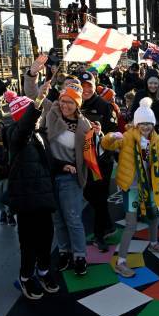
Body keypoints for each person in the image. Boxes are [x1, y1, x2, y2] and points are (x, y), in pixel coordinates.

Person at [102, 98, 159, 278]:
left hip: (149, 186)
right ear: (136, 124)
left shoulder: (156, 139)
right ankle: (121, 262)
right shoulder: (126, 138)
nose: (146, 127)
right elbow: (106, 144)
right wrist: (111, 136)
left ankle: (154, 243)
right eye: (142, 123)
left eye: (149, 123)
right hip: (131, 187)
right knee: (131, 224)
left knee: (154, 217)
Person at [5, 83, 59, 300]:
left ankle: (44, 271)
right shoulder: (15, 135)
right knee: (28, 242)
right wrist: (37, 101)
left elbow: (47, 163)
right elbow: (25, 126)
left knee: (46, 237)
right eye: (31, 115)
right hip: (26, 199)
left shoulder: (39, 134)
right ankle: (26, 277)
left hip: (44, 197)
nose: (37, 118)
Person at [39, 83, 91, 276]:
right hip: (51, 174)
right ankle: (64, 252)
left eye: (70, 102)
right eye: (62, 101)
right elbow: (33, 96)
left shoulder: (84, 125)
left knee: (73, 217)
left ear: (77, 104)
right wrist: (32, 75)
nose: (65, 105)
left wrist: (98, 134)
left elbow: (92, 151)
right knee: (58, 219)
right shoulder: (52, 114)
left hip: (70, 176)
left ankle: (79, 255)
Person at [83, 120, 115, 252]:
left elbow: (107, 153)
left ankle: (99, 234)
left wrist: (99, 133)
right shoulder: (78, 129)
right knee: (96, 203)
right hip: (84, 174)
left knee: (100, 204)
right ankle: (105, 228)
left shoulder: (98, 135)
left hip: (101, 174)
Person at [131, 68, 159, 135]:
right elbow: (133, 112)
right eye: (150, 83)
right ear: (146, 83)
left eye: (155, 83)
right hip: (143, 131)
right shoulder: (140, 94)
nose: (153, 86)